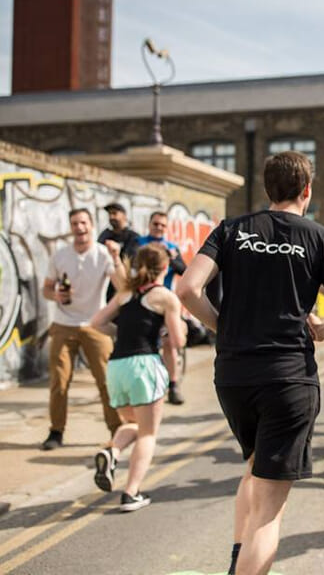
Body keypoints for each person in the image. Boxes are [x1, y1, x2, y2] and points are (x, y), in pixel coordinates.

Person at [177, 150, 324, 575]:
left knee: (255, 467)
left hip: (235, 377)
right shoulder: (321, 238)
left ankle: (236, 559)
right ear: (307, 191)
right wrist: (322, 330)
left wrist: (221, 326)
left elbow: (188, 288)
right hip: (288, 378)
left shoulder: (231, 230)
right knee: (270, 512)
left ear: (266, 190)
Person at [88, 243, 187, 511]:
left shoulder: (125, 293)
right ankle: (131, 493)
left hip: (117, 366)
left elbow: (97, 323)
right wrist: (180, 330)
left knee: (132, 423)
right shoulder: (166, 297)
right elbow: (177, 341)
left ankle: (112, 452)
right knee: (148, 434)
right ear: (165, 267)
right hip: (144, 366)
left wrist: (120, 333)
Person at [41, 208, 125, 450]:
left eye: (84, 223)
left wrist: (117, 258)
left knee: (107, 380)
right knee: (59, 381)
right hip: (63, 324)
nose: (79, 228)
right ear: (71, 227)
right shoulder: (60, 256)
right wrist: (55, 294)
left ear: (91, 225)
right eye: (75, 224)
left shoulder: (103, 254)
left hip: (95, 324)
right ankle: (56, 432)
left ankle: (118, 431)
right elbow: (46, 289)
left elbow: (122, 286)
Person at [138, 211, 188, 405]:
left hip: (164, 302)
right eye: (155, 224)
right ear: (149, 224)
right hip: (142, 302)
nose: (158, 228)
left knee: (169, 343)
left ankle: (173, 386)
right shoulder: (139, 243)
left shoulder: (172, 247)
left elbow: (184, 270)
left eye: (162, 225)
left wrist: (173, 258)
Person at [98, 202, 140, 301]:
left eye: (115, 213)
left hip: (124, 281)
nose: (112, 217)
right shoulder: (105, 235)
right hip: (106, 282)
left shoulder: (133, 237)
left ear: (124, 216)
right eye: (110, 214)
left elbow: (130, 261)